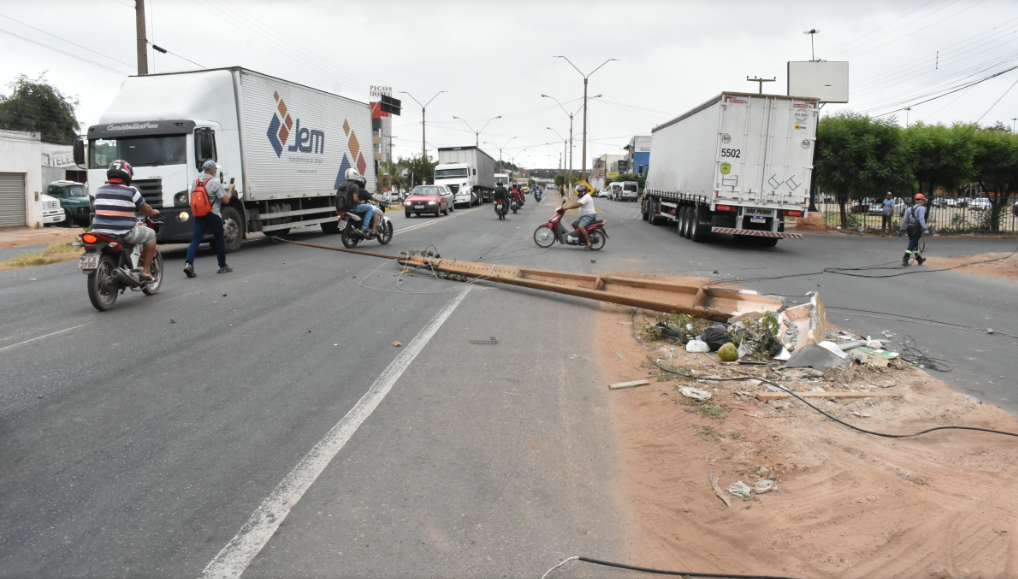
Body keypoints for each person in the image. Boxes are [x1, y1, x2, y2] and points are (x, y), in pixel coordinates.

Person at [91, 159, 161, 281]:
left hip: (98, 231)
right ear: (127, 175)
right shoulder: (131, 191)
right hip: (122, 232)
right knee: (150, 235)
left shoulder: (99, 190)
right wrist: (155, 212)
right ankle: (146, 271)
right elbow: (146, 210)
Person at [184, 160, 234, 277]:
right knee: (219, 239)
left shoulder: (195, 182)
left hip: (199, 215)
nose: (216, 170)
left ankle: (188, 264)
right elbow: (226, 200)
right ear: (212, 170)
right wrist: (231, 189)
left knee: (196, 239)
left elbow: (191, 201)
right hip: (213, 215)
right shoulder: (214, 182)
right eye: (215, 169)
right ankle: (222, 265)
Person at [561, 184, 596, 249]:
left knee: (580, 226)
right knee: (575, 224)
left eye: (580, 192)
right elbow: (576, 204)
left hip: (589, 215)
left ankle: (588, 242)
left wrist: (568, 207)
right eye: (578, 192)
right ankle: (581, 237)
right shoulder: (582, 197)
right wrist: (567, 206)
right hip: (584, 216)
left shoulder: (587, 197)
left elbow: (578, 205)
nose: (578, 193)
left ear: (583, 192)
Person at [345, 168, 378, 236]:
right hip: (353, 207)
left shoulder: (342, 185)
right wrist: (360, 202)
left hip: (345, 207)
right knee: (370, 208)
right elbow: (355, 199)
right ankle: (365, 227)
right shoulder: (355, 186)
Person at [900, 193, 928, 266]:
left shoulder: (910, 208)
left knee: (915, 243)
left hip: (909, 228)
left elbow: (905, 219)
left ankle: (918, 259)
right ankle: (905, 258)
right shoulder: (922, 208)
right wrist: (925, 228)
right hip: (916, 229)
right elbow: (921, 219)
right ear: (922, 201)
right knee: (912, 244)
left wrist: (901, 229)